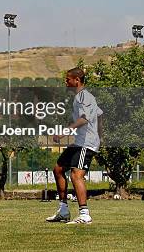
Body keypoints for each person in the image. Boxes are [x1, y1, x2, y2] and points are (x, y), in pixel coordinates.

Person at [46, 67, 102, 225]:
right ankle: (63, 211)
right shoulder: (81, 97)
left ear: (76, 80)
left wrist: (64, 133)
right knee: (58, 169)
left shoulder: (84, 96)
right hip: (80, 142)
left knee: (76, 175)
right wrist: (101, 137)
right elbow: (99, 115)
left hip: (86, 143)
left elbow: (84, 119)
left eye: (68, 79)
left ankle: (84, 214)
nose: (66, 81)